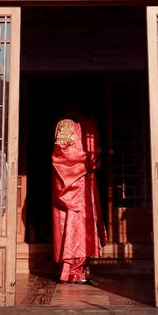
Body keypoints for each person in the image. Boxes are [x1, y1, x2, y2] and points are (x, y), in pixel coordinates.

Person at [51, 107, 107, 283]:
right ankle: (73, 271)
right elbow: (63, 156)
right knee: (73, 225)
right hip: (72, 185)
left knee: (84, 226)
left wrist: (92, 158)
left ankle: (80, 269)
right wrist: (89, 160)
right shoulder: (67, 124)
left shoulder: (88, 123)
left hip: (85, 184)